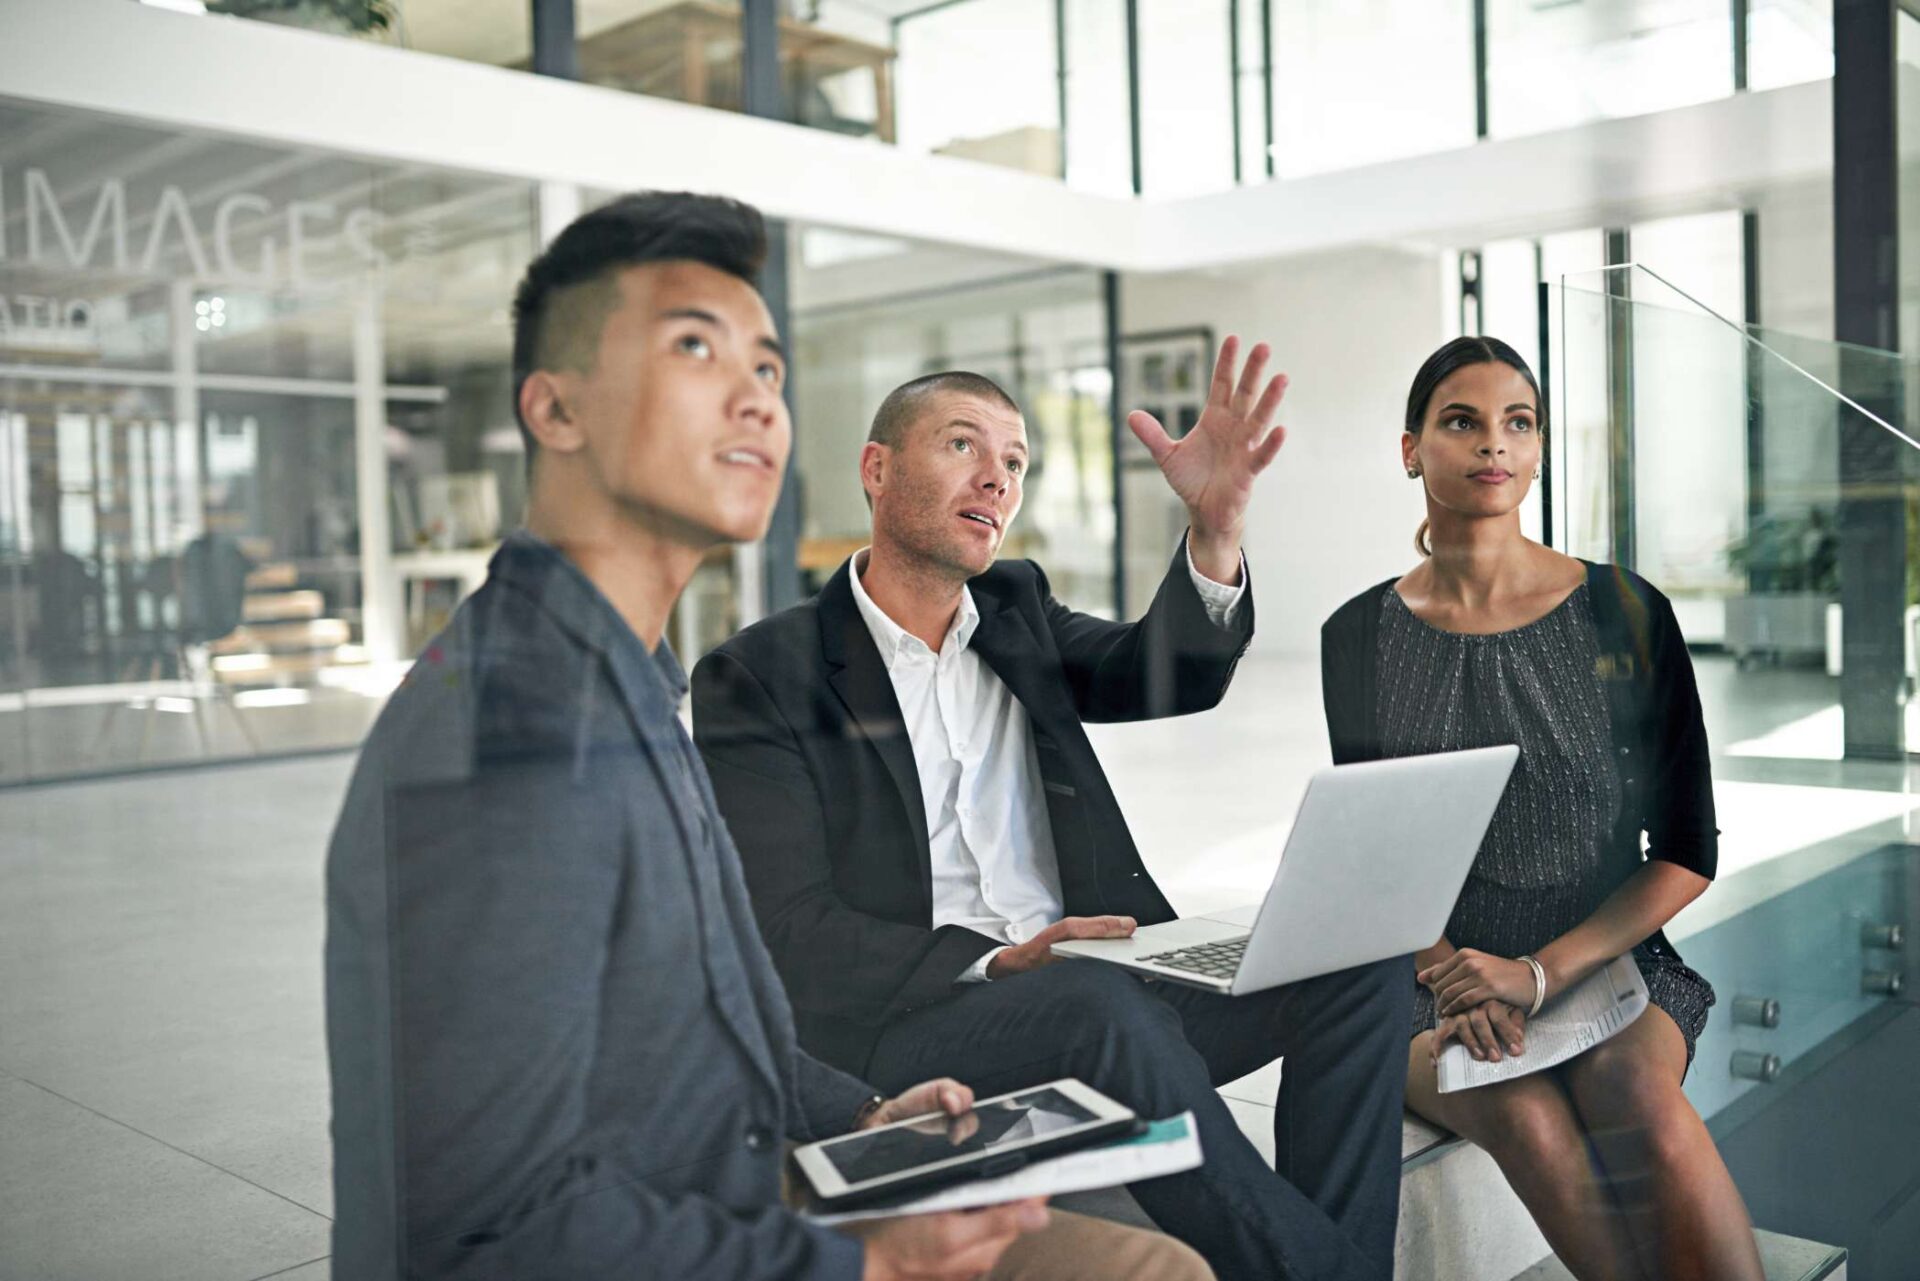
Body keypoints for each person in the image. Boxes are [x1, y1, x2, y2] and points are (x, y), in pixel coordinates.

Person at [323, 191, 1209, 1281]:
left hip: (749, 1168)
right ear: (556, 411)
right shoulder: (515, 741)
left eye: (770, 369)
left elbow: (706, 1016)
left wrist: (868, 1112)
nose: (754, 399)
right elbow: (487, 1234)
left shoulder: (630, 685)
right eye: (696, 347)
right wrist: (863, 1263)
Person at [692, 347, 1413, 1281]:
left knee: (1354, 956)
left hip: (1105, 985)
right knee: (1095, 1001)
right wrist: (999, 960)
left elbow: (1169, 670)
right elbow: (787, 932)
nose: (997, 475)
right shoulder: (762, 674)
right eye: (963, 444)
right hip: (922, 1027)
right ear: (878, 470)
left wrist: (1217, 529)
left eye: (1018, 461)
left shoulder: (1014, 607)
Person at [1319, 336, 1765, 1281]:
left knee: (1632, 1097)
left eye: (1518, 423)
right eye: (1462, 422)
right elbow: (1374, 861)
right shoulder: (1356, 635)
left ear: (1539, 450)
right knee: (1518, 1109)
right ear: (1412, 451)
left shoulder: (1622, 610)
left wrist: (1534, 971)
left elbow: (1685, 849)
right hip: (1423, 971)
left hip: (1602, 953)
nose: (1494, 445)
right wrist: (1453, 976)